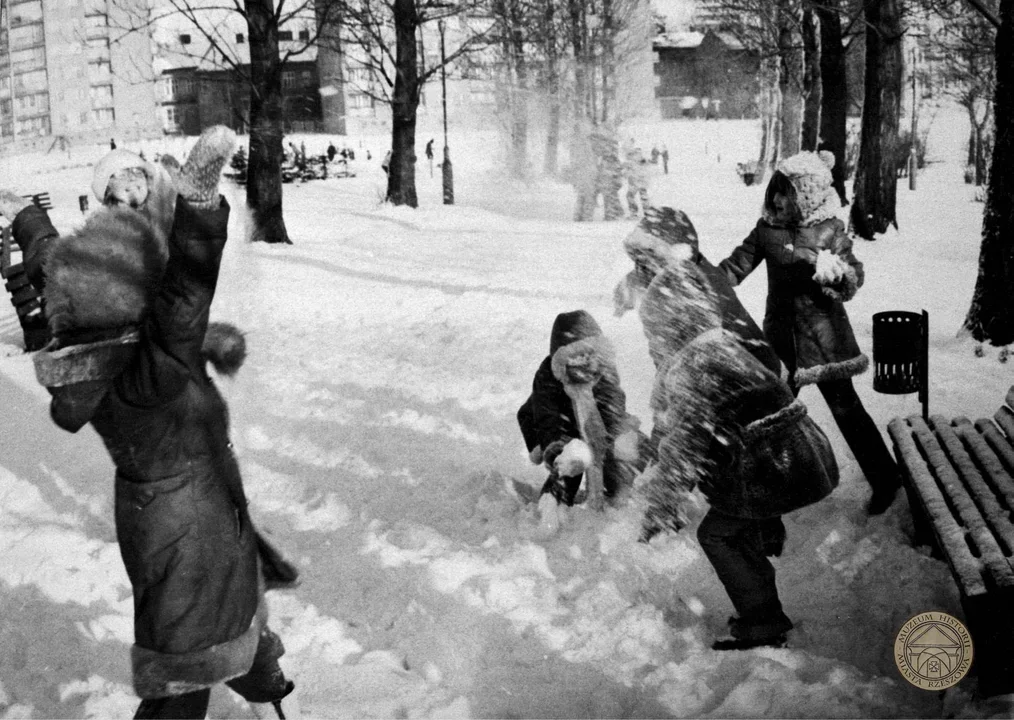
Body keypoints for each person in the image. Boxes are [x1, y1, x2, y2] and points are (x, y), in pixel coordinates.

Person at [0, 126, 301, 719]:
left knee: (212, 630)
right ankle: (251, 669)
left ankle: (255, 668)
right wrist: (199, 202)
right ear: (127, 294)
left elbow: (53, 260)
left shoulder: (99, 352)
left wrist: (27, 221)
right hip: (189, 534)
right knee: (184, 681)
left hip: (176, 525)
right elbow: (184, 298)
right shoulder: (154, 370)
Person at [636, 256, 839, 651]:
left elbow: (686, 446)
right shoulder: (721, 345)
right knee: (736, 528)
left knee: (717, 535)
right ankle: (763, 609)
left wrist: (661, 505)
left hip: (770, 465)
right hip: (794, 455)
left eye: (654, 333)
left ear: (668, 327)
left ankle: (763, 620)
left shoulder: (693, 365)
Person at [717, 150, 901, 515]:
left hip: (825, 338)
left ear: (809, 194)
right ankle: (765, 493)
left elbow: (853, 271)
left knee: (847, 411)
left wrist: (839, 274)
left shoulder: (830, 228)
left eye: (787, 192)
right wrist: (702, 278)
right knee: (766, 417)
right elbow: (734, 268)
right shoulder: (765, 231)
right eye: (774, 191)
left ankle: (886, 479)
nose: (777, 200)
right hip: (781, 340)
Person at [517, 310, 644, 524]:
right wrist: (557, 448)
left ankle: (626, 494)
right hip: (552, 424)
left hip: (591, 421)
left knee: (620, 455)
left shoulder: (604, 372)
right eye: (575, 356)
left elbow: (613, 406)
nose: (584, 362)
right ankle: (550, 509)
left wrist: (618, 438)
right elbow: (549, 418)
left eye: (588, 354)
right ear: (561, 358)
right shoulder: (548, 378)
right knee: (570, 464)